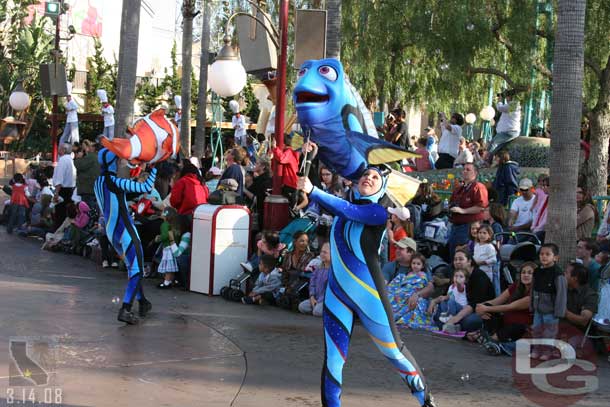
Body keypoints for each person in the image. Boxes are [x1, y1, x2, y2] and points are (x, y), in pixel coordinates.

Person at [297, 167, 435, 407]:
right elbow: (337, 204)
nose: (368, 178)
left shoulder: (376, 212)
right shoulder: (344, 207)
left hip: (369, 295)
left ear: (382, 188)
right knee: (333, 359)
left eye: (375, 177)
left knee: (393, 351)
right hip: (336, 294)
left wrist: (314, 191)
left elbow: (347, 209)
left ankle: (426, 401)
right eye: (365, 175)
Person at [95, 149, 157, 324]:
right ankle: (126, 309)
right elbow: (146, 187)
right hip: (125, 229)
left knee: (133, 265)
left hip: (111, 231)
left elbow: (117, 197)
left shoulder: (98, 182)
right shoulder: (115, 181)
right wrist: (153, 168)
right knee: (136, 268)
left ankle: (143, 302)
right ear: (113, 162)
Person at [479, 262, 535, 356]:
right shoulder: (516, 286)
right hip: (505, 323)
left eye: (530, 273)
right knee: (488, 308)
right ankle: (490, 337)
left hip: (521, 328)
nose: (525, 275)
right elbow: (497, 301)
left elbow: (510, 307)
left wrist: (485, 308)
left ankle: (492, 339)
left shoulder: (534, 294)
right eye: (523, 272)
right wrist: (480, 307)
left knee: (515, 327)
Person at [444, 249, 496, 335]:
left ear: (469, 261)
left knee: (469, 321)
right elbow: (447, 294)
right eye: (455, 259)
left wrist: (456, 318)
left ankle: (453, 325)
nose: (457, 262)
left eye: (461, 259)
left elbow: (475, 303)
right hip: (460, 308)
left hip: (478, 311)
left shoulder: (479, 276)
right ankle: (453, 325)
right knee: (441, 307)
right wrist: (434, 301)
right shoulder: (456, 274)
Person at [530, 243, 567, 361]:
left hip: (551, 311)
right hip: (538, 309)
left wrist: (559, 312)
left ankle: (547, 351)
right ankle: (536, 349)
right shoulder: (537, 271)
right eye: (541, 254)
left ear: (555, 257)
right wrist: (532, 305)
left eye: (547, 254)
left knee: (549, 333)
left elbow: (561, 294)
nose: (544, 257)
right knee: (536, 330)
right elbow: (532, 289)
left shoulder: (558, 274)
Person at [447, 163, 489, 258]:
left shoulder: (478, 187)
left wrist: (463, 211)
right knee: (453, 251)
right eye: (464, 169)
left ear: (475, 173)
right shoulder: (459, 189)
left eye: (468, 170)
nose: (465, 171)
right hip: (455, 225)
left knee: (463, 253)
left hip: (468, 226)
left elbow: (481, 207)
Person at [387, 253, 436, 329]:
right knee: (394, 296)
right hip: (404, 291)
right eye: (413, 263)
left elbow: (422, 285)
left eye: (418, 264)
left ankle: (398, 317)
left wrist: (415, 292)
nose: (415, 265)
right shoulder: (407, 274)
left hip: (413, 292)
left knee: (407, 297)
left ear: (422, 266)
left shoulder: (423, 275)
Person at [278, 231, 315, 308]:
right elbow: (284, 273)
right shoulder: (288, 255)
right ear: (295, 242)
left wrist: (291, 288)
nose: (305, 243)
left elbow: (305, 276)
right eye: (302, 241)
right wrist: (286, 286)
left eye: (306, 241)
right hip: (288, 285)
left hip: (302, 286)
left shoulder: (310, 256)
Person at [563, 262, 598, 333]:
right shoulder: (563, 288)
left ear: (575, 278)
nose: (563, 274)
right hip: (559, 329)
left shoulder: (590, 295)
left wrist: (564, 312)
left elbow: (583, 321)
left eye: (566, 273)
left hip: (578, 334)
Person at [298, 242, 331, 317]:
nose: (322, 254)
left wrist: (319, 301)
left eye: (325, 252)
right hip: (316, 298)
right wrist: (312, 297)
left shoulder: (334, 271)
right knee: (302, 307)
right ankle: (316, 308)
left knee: (317, 311)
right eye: (321, 252)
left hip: (326, 300)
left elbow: (330, 290)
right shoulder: (318, 268)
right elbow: (312, 284)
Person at [488, 90, 521, 156]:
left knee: (493, 143)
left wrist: (500, 101)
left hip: (509, 131)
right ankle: (493, 161)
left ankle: (486, 161)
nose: (506, 98)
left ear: (511, 97)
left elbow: (500, 108)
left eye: (507, 96)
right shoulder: (511, 105)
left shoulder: (514, 105)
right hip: (508, 131)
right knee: (498, 148)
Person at [52, 144, 77, 230]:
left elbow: (59, 178)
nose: (58, 149)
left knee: (60, 214)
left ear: (64, 149)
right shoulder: (71, 160)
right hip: (70, 189)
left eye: (60, 148)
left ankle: (57, 233)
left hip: (63, 190)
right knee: (66, 214)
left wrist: (56, 192)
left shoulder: (63, 160)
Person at [73, 139, 100, 210]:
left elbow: (80, 165)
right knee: (92, 208)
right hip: (93, 187)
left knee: (87, 209)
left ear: (93, 148)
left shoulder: (91, 156)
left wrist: (78, 158)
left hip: (87, 188)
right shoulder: (98, 156)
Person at [156, 207, 179, 289]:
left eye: (163, 212)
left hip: (167, 248)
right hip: (173, 247)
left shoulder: (164, 224)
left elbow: (165, 236)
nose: (161, 213)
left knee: (168, 267)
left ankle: (166, 283)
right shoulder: (172, 224)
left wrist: (159, 238)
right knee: (171, 266)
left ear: (166, 215)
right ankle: (171, 281)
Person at [531, 176, 549, 242]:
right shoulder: (545, 198)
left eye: (545, 185)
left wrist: (536, 229)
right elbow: (538, 214)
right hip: (536, 229)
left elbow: (545, 221)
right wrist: (533, 227)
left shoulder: (552, 201)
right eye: (542, 185)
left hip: (542, 231)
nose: (543, 187)